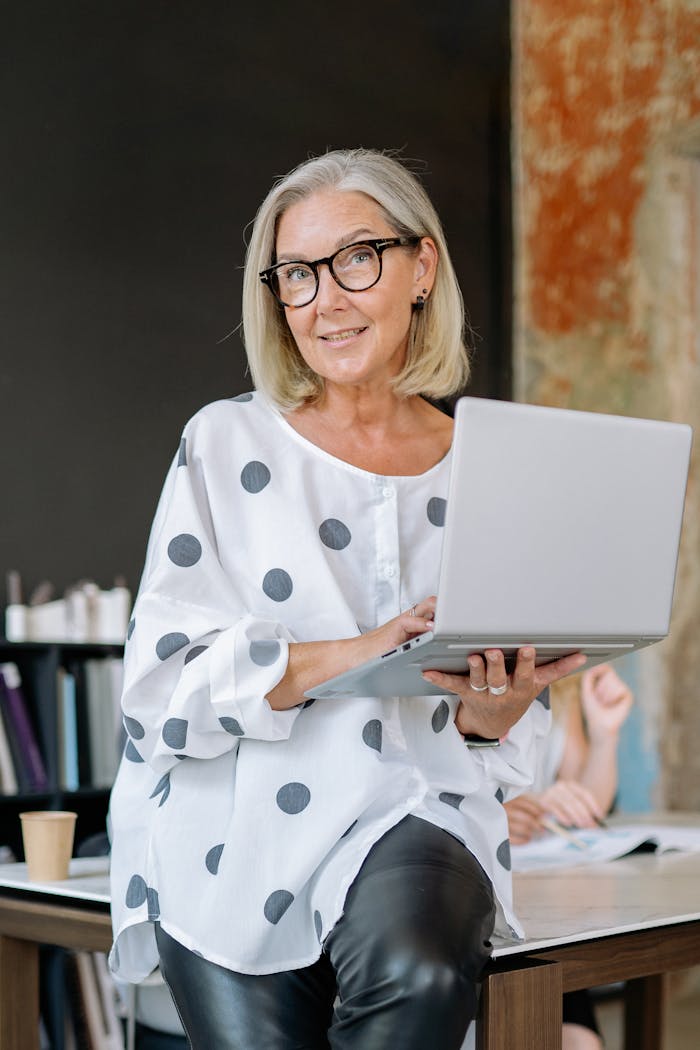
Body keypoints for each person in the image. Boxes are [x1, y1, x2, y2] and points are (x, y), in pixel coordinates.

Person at [108, 148, 585, 1050]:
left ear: (421, 268)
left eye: (357, 258)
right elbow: (160, 695)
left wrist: (493, 714)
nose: (325, 299)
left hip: (416, 808)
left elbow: (496, 734)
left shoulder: (491, 465)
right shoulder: (224, 442)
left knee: (420, 970)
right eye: (297, 274)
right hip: (231, 827)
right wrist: (360, 651)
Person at [504, 663, 634, 1050]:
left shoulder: (562, 685)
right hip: (479, 895)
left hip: (541, 900)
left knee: (579, 1040)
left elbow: (587, 808)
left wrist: (605, 733)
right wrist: (491, 818)